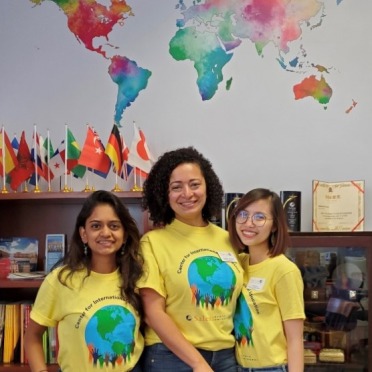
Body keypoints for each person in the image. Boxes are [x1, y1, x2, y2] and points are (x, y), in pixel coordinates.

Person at [137, 147, 244, 372]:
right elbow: (153, 312)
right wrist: (198, 363)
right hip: (172, 357)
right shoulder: (152, 243)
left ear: (208, 187)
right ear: (164, 195)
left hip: (226, 356)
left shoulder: (230, 240)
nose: (187, 193)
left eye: (195, 184)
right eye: (176, 187)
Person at [24, 190, 144, 372]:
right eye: (96, 226)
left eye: (114, 226)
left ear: (125, 234)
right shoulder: (61, 280)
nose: (106, 233)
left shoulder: (138, 277)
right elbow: (32, 337)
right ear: (83, 234)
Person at [228, 188, 305, 372]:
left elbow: (295, 339)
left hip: (271, 368)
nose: (248, 223)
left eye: (259, 217)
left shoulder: (284, 270)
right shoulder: (238, 264)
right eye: (243, 214)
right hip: (237, 366)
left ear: (275, 225)